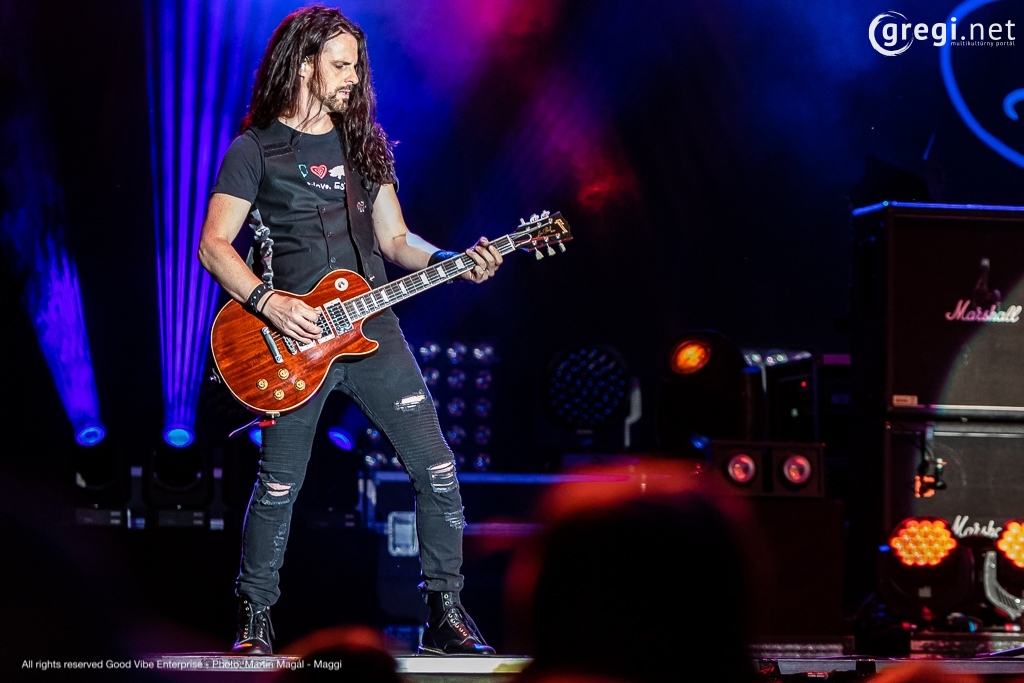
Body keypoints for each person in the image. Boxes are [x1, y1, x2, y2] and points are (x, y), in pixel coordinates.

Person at [197, 5, 501, 657]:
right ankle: (255, 616)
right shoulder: (254, 149)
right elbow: (214, 245)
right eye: (340, 66)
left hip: (372, 331)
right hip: (292, 343)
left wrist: (454, 261)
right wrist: (269, 302)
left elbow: (396, 239)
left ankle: (446, 613)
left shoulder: (365, 142)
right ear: (304, 64)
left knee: (438, 468)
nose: (353, 78)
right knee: (279, 484)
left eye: (357, 67)